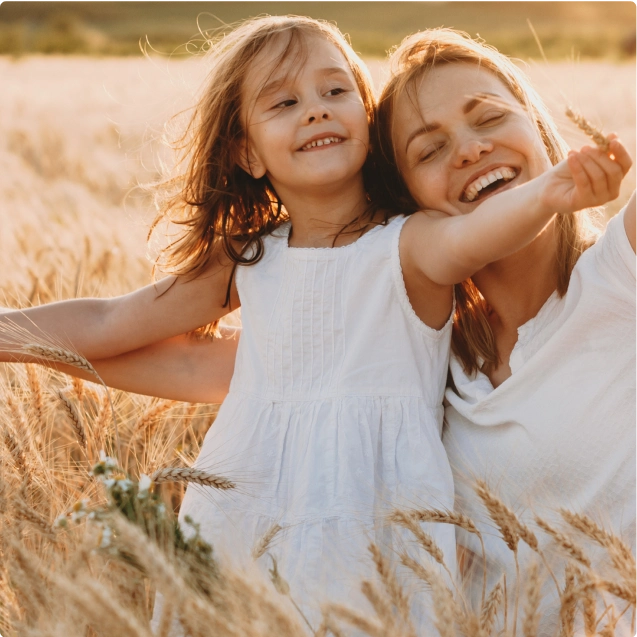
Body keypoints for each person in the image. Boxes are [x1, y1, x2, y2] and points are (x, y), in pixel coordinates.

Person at [0, 17, 630, 628]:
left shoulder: (416, 250)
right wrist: (14, 338)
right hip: (244, 525)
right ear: (245, 151)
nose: (317, 110)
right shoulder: (258, 264)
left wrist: (555, 190)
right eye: (284, 103)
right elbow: (135, 329)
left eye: (336, 91)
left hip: (368, 548)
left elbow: (472, 235)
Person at [373, 28, 636, 633]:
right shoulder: (430, 348)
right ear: (407, 206)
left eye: (488, 117)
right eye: (428, 150)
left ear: (540, 127)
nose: (468, 150)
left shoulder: (622, 272)